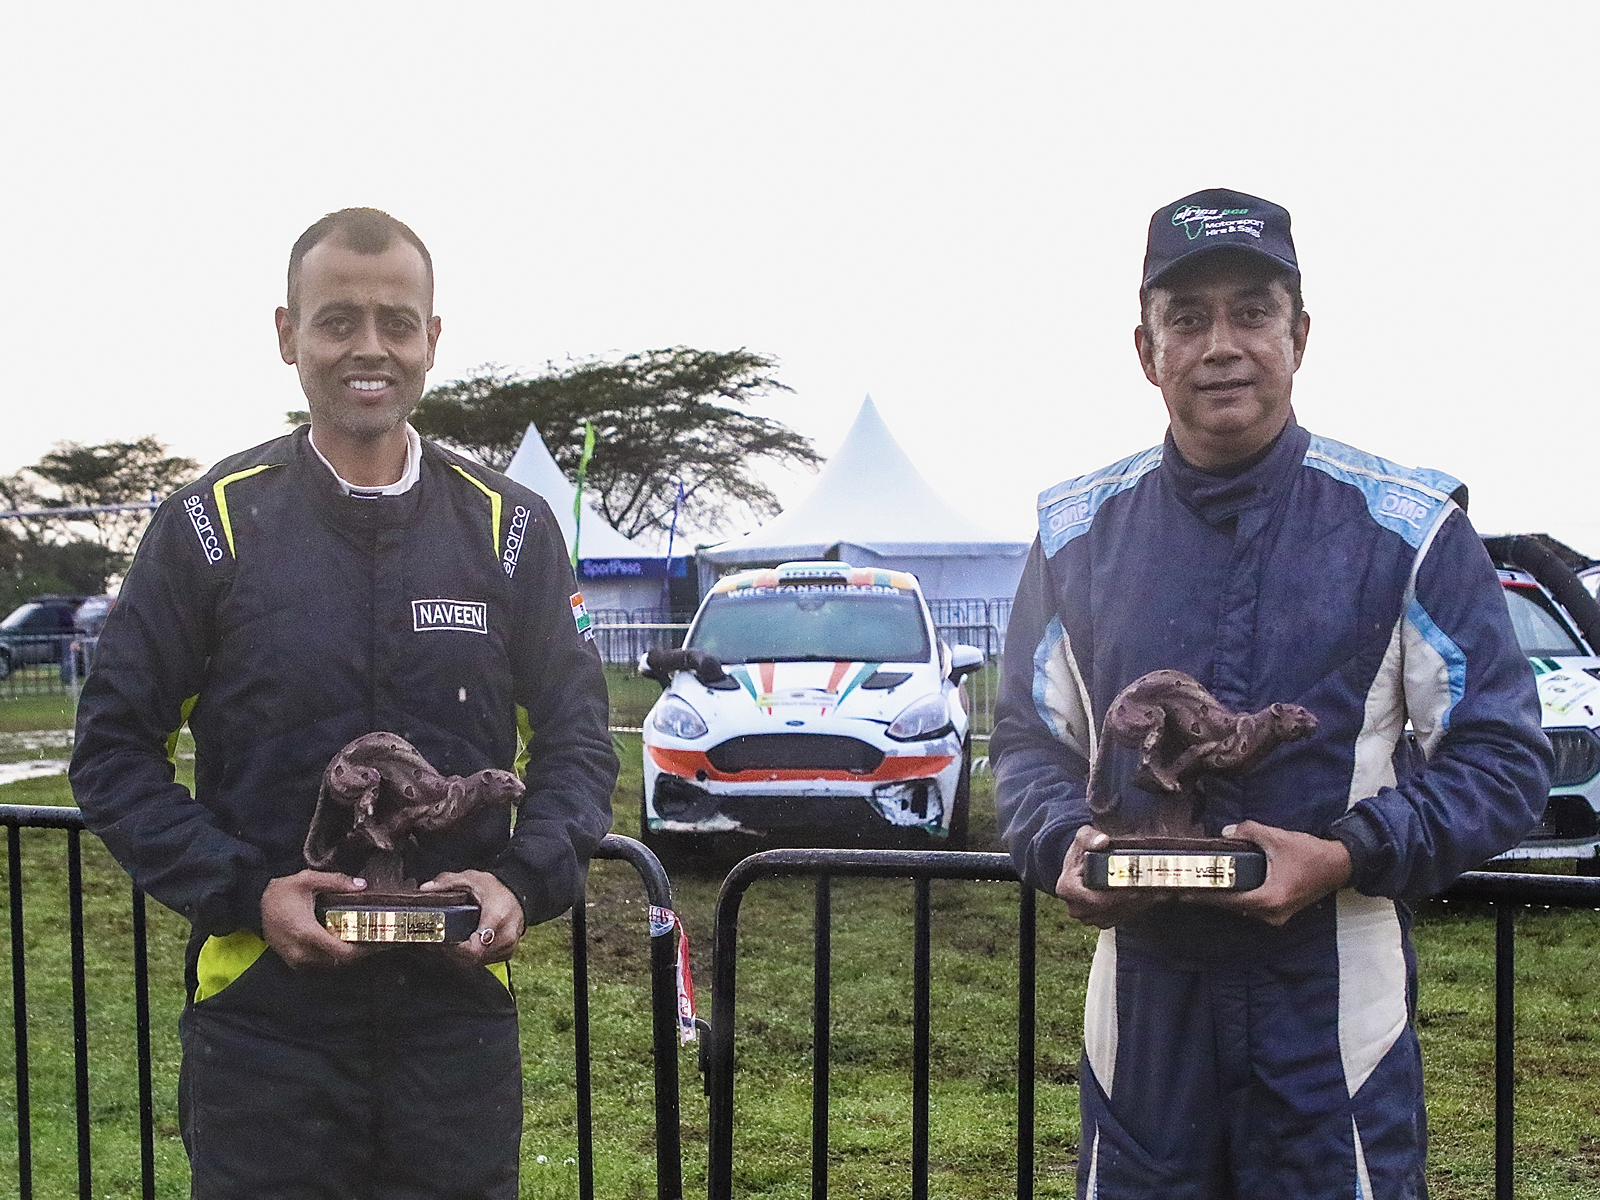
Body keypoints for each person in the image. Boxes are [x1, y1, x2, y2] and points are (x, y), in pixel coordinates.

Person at [992, 188, 1549, 1199]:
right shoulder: (1073, 537)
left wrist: (1348, 853)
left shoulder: (1408, 528)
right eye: (1187, 318)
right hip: (1142, 1010)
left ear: (1300, 334)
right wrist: (1058, 841)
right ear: (1143, 347)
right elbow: (1028, 744)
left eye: (1251, 312)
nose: (1220, 346)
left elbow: (1505, 759)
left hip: (1331, 1007)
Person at [69, 208, 618, 1198]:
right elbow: (111, 753)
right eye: (338, 320)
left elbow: (579, 741)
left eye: (396, 322)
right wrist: (248, 894)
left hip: (454, 1032)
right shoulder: (207, 527)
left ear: (433, 340)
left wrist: (526, 883)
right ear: (288, 335)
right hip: (263, 1037)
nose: (369, 347)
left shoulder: (510, 531)